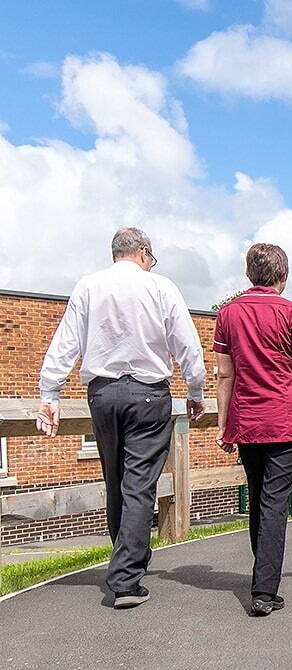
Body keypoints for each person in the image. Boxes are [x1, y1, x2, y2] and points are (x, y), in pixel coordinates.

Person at [36, 227, 206, 609]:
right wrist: (195, 392)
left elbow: (66, 342)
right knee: (140, 483)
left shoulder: (88, 286)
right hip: (148, 394)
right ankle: (126, 580)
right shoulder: (161, 287)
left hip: (103, 394)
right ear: (144, 253)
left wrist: (51, 392)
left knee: (117, 479)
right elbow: (187, 344)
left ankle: (128, 559)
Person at [213, 242, 292, 617]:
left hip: (247, 421)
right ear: (283, 276)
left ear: (250, 275)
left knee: (258, 499)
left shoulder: (228, 314)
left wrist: (224, 425)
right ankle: (264, 591)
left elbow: (224, 374)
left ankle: (262, 577)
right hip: (285, 421)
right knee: (273, 504)